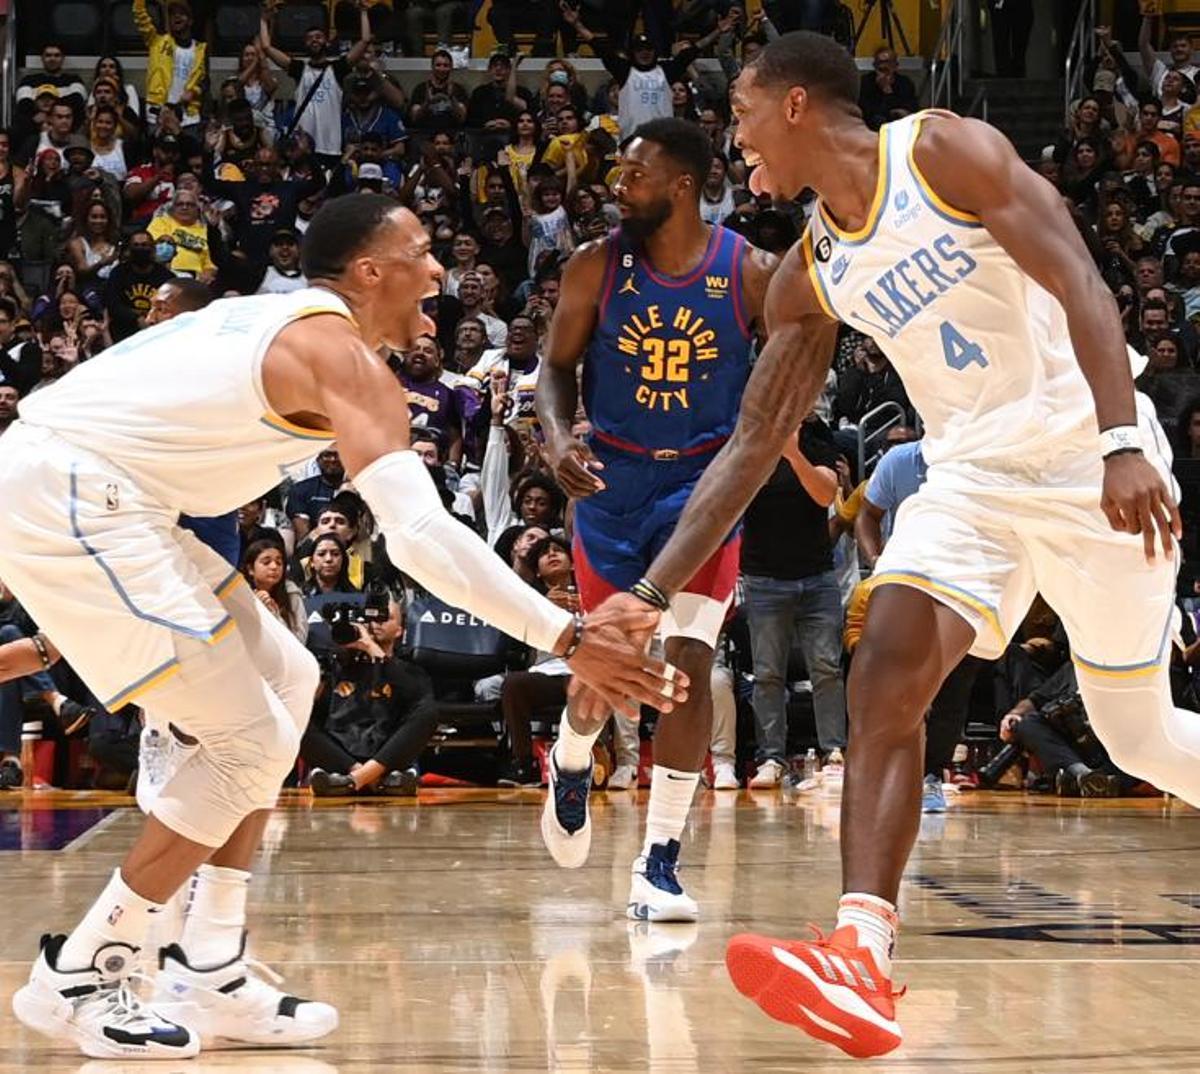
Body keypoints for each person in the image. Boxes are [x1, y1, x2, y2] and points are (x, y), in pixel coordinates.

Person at [588, 31, 1192, 1058]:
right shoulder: (810, 268)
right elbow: (755, 441)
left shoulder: (941, 153)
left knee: (1137, 736)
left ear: (792, 105)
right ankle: (860, 954)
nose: (736, 147)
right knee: (885, 676)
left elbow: (1083, 278)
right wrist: (649, 588)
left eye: (738, 117)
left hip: (1089, 459)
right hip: (970, 483)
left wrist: (1123, 437)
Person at [0, 192, 682, 1059]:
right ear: (370, 271)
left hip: (110, 496)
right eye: (424, 252)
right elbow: (424, 537)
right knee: (243, 740)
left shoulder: (284, 322)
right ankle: (84, 972)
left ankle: (209, 968)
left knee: (290, 681)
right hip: (72, 495)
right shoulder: (341, 357)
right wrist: (568, 635)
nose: (439, 271)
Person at [536, 117, 775, 921]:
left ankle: (661, 858)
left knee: (689, 662)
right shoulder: (594, 266)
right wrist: (559, 434)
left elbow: (787, 376)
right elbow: (555, 368)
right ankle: (572, 752)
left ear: (682, 185)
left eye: (632, 174)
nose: (615, 184)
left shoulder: (749, 273)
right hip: (612, 481)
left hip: (703, 488)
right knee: (611, 662)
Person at [260, 2, 371, 168]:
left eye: (318, 37)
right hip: (302, 146)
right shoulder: (299, 69)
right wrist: (263, 21)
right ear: (305, 43)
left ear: (326, 41)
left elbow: (365, 40)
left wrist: (363, 13)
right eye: (310, 38)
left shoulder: (337, 69)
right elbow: (267, 48)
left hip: (330, 145)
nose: (314, 41)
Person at [133, 0, 207, 130]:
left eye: (182, 14)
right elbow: (140, 15)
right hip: (158, 111)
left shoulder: (201, 49)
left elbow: (205, 80)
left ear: (190, 21)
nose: (177, 17)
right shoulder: (157, 42)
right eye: (173, 14)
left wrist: (193, 92)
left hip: (188, 115)